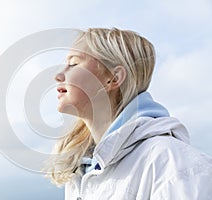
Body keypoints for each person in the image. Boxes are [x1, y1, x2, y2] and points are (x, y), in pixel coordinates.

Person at [45, 28, 212, 199]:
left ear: (113, 78)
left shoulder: (172, 163)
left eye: (73, 64)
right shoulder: (80, 173)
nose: (58, 75)